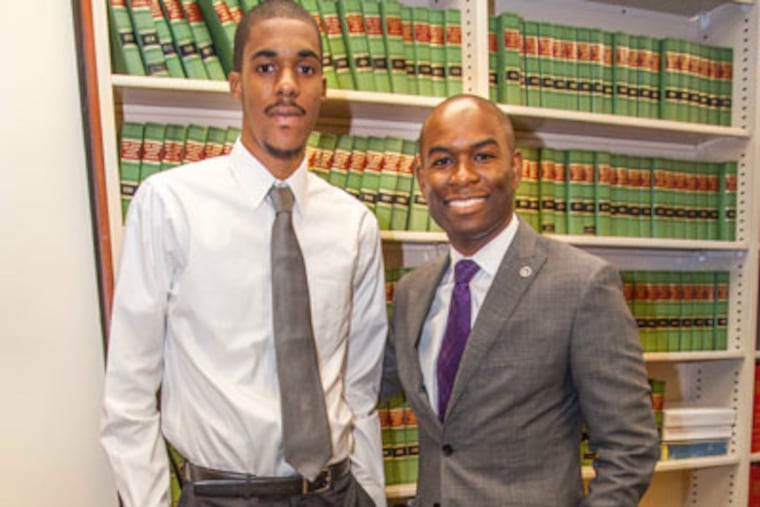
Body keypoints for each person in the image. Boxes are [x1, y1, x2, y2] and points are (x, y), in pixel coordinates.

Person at [100, 1, 387, 506]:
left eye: (305, 67)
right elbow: (129, 394)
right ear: (237, 84)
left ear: (322, 86)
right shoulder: (170, 205)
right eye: (265, 66)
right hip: (223, 495)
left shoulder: (354, 224)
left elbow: (358, 393)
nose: (287, 85)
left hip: (337, 492)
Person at [381, 94, 660, 507]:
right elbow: (363, 386)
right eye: (442, 162)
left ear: (516, 169)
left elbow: (631, 447)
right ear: (421, 179)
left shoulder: (583, 285)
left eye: (482, 156)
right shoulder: (412, 292)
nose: (461, 176)